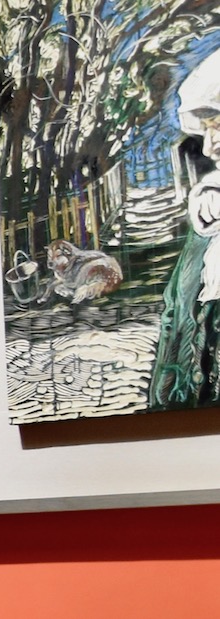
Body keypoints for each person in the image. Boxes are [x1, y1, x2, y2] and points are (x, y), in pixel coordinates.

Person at [152, 55, 220, 408]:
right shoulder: (209, 205)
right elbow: (178, 313)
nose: (209, 146)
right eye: (206, 130)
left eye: (218, 126)